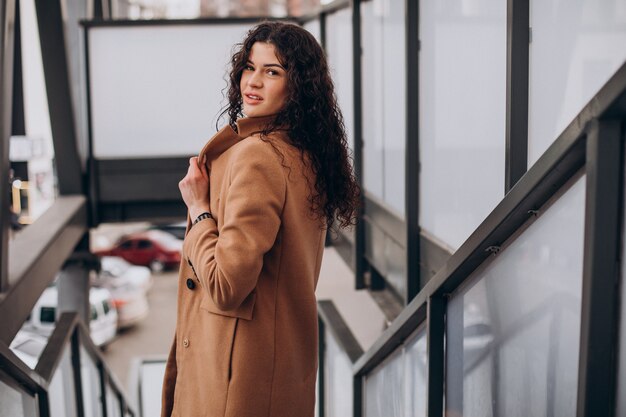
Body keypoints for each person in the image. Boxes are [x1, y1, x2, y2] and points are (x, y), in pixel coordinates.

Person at [161, 21, 359, 417]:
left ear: (298, 84)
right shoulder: (305, 153)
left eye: (273, 71)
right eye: (250, 67)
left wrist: (198, 208)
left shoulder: (257, 156)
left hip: (233, 379)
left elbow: (226, 284)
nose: (253, 82)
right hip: (273, 368)